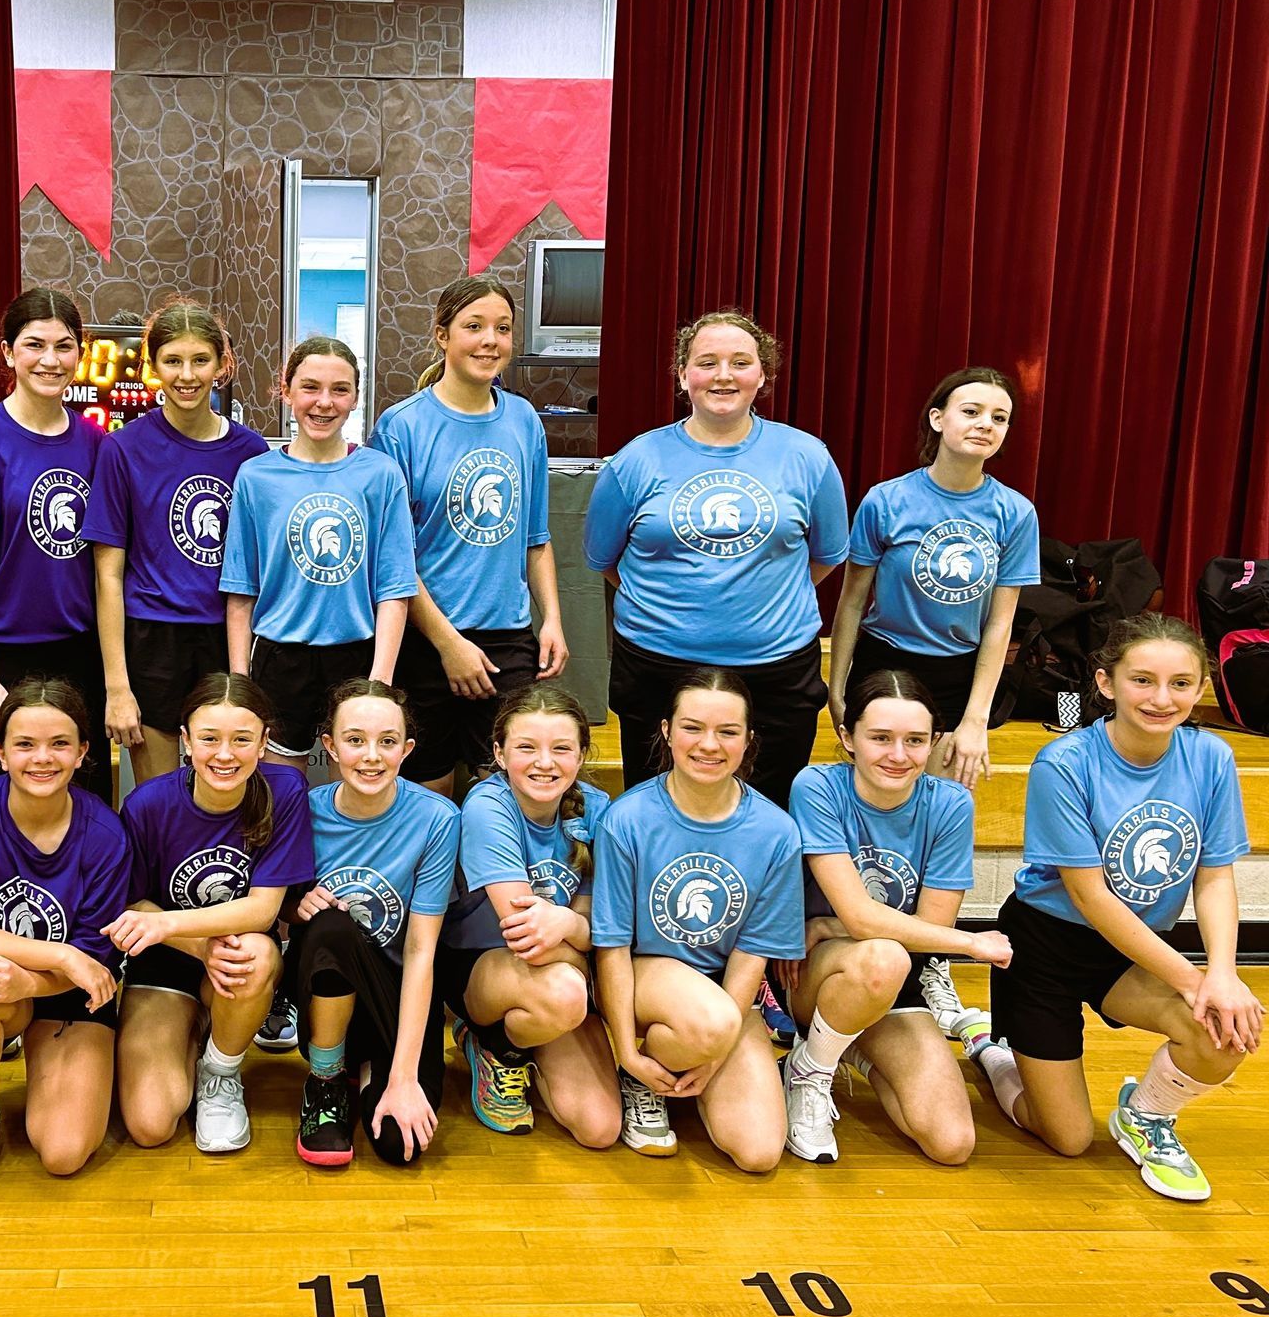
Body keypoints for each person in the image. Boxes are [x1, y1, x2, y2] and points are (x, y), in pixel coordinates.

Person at [970, 614, 1261, 1202]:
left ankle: (1148, 1116)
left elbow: (1214, 877)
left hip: (1135, 951)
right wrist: (1193, 980)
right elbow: (1091, 896)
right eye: (1143, 680)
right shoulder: (1065, 763)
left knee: (1223, 1034)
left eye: (1181, 683)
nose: (1161, 698)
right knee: (1068, 1137)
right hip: (1046, 947)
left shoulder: (1210, 759)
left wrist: (1223, 977)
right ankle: (994, 1054)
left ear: (1202, 688)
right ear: (1105, 683)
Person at [826, 367, 1039, 1045]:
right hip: (887, 664)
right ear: (938, 418)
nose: (984, 424)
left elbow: (999, 627)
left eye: (998, 417)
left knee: (942, 818)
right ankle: (860, 952)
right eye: (971, 409)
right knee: (881, 802)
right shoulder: (888, 501)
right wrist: (837, 681)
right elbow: (853, 600)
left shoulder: (1014, 513)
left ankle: (933, 961)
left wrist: (975, 718)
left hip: (958, 676)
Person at [581, 309, 847, 809]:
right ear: (684, 376)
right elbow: (606, 560)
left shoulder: (807, 457)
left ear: (763, 375)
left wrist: (756, 598)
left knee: (768, 815)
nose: (723, 375)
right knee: (654, 812)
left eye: (740, 362)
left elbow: (825, 558)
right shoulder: (636, 460)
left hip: (776, 672)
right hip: (658, 670)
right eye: (707, 362)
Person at [780, 670, 1011, 1164]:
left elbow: (930, 930)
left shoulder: (949, 803)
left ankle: (847, 1045)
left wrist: (829, 922)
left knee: (952, 1143)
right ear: (848, 737)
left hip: (894, 970)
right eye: (880, 738)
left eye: (915, 741)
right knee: (882, 955)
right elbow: (873, 925)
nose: (898, 755)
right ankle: (810, 1071)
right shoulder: (818, 786)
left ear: (934, 743)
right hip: (812, 972)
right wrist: (972, 944)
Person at [591, 669, 805, 1171]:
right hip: (644, 977)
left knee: (758, 1153)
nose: (709, 745)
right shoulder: (627, 819)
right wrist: (624, 1050)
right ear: (666, 731)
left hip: (720, 999)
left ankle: (686, 1057)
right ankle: (640, 1076)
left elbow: (752, 952)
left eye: (727, 732)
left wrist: (716, 1052)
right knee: (708, 1022)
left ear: (748, 740)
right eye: (693, 728)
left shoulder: (776, 832)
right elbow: (612, 946)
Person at [0, 679, 129, 1197]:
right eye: (24, 744)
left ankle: (103, 1066)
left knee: (62, 1153)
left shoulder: (105, 832)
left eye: (60, 744)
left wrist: (33, 983)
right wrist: (55, 955)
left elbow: (96, 970)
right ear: (0, 753)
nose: (42, 758)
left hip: (68, 996)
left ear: (84, 753)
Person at [370, 277, 568, 794]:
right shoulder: (402, 426)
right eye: (474, 326)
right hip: (426, 640)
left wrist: (552, 622)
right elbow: (393, 561)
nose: (490, 341)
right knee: (428, 797)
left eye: (502, 329)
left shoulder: (524, 419)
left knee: (505, 797)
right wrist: (447, 643)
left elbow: (536, 538)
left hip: (507, 639)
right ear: (442, 335)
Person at [112, 674, 315, 1153]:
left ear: (265, 743)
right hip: (167, 959)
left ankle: (220, 1070)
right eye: (209, 739)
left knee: (256, 954)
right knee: (150, 1124)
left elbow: (263, 910)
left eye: (242, 739)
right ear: (185, 741)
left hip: (234, 952)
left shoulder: (284, 790)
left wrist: (169, 922)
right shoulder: (147, 805)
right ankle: (198, 1022)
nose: (225, 754)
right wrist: (192, 942)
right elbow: (132, 903)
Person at [85, 300, 268, 786]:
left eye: (200, 360)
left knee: (226, 785)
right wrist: (118, 685)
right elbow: (107, 574)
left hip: (227, 637)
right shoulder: (122, 448)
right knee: (156, 798)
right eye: (173, 361)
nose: (187, 375)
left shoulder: (251, 452)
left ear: (222, 364)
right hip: (153, 639)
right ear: (153, 365)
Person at [0, 288, 110, 800]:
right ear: (9, 353)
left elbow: (106, 568)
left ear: (80, 354)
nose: (50, 360)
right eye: (35, 345)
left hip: (80, 657)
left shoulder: (96, 445)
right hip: (2, 656)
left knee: (83, 804)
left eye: (64, 346)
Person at [220, 337, 417, 765]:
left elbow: (395, 591)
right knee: (279, 794)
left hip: (357, 655)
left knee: (357, 790)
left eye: (340, 390)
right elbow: (241, 593)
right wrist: (240, 683)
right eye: (310, 387)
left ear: (356, 398)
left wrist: (378, 682)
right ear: (286, 390)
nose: (324, 403)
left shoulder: (380, 475)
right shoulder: (256, 477)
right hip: (279, 656)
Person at [438, 684, 618, 1147]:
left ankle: (538, 1035)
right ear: (498, 754)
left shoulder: (598, 810)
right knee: (563, 991)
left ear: (581, 756)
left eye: (561, 748)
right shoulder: (487, 805)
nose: (544, 762)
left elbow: (605, 917)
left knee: (599, 1129)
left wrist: (571, 924)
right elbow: (526, 935)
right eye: (526, 748)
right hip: (484, 968)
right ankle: (494, 1043)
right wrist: (585, 937)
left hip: (566, 971)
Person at [287, 679, 458, 1167]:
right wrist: (295, 906)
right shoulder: (303, 812)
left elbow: (422, 951)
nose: (371, 756)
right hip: (326, 987)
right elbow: (280, 915)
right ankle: (325, 1078)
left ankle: (370, 1066)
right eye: (355, 739)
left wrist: (403, 1076)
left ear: (406, 750)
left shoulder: (437, 818)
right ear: (330, 746)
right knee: (330, 926)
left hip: (396, 988)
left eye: (387, 742)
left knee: (398, 1145)